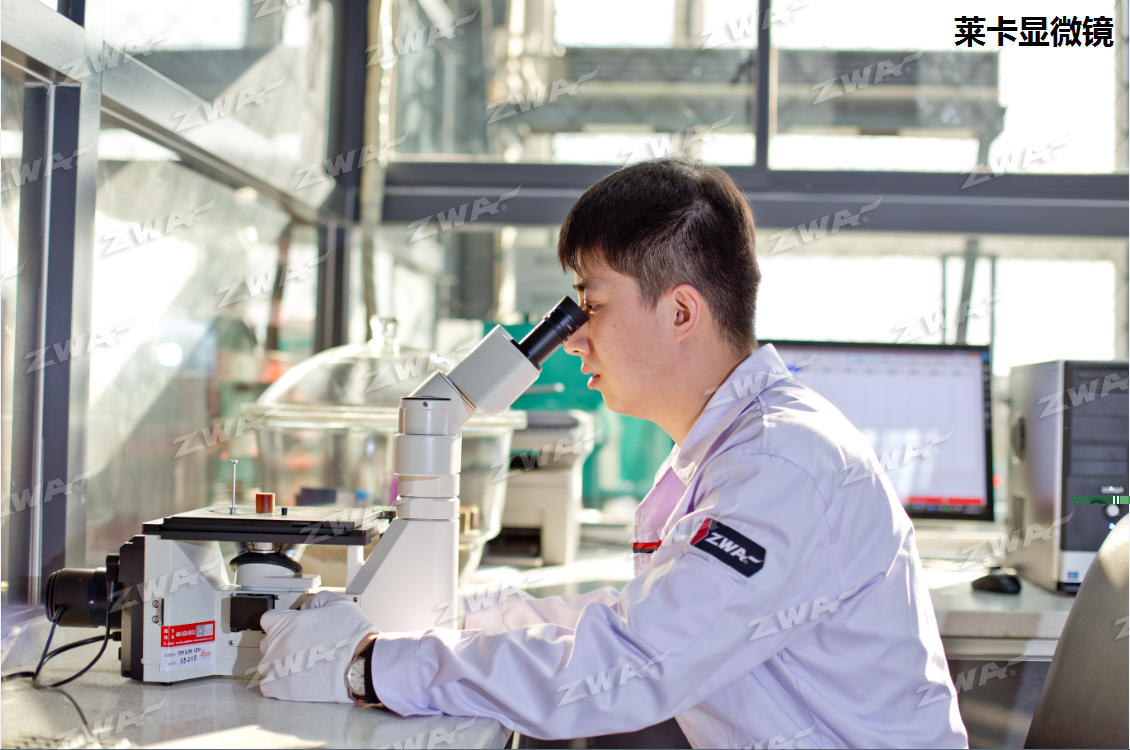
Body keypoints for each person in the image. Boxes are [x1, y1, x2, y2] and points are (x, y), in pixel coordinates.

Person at [256, 159, 969, 749]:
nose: (572, 339)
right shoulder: (733, 447)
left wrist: (367, 667)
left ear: (681, 311)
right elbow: (641, 618)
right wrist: (460, 617)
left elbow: (633, 664)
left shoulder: (782, 465)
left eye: (590, 306)